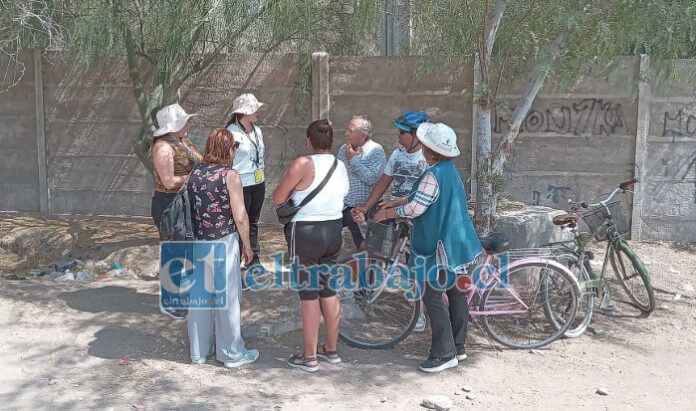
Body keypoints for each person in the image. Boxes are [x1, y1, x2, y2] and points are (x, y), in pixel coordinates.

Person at [373, 122, 483, 373]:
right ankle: (458, 346)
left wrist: (389, 212)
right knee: (457, 294)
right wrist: (400, 199)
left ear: (429, 150)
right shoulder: (450, 170)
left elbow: (416, 208)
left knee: (432, 296)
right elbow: (425, 198)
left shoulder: (433, 174)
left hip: (440, 247)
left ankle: (444, 354)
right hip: (460, 244)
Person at [273, 119, 350, 372]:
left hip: (305, 232)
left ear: (309, 141)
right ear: (331, 142)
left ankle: (309, 357)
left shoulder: (303, 163)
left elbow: (278, 198)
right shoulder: (340, 165)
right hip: (334, 230)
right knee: (328, 289)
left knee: (308, 293)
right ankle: (332, 350)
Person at [186, 128, 259, 368]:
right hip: (223, 241)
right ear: (228, 149)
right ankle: (231, 354)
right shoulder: (230, 175)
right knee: (227, 299)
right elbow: (240, 216)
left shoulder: (194, 173)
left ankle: (199, 352)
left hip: (199, 242)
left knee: (200, 298)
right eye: (234, 147)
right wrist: (247, 245)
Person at [352, 111, 431, 332]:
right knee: (373, 251)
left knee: (415, 266)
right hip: (392, 215)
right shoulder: (397, 155)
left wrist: (396, 207)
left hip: (417, 218)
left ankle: (420, 313)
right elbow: (384, 182)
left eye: (403, 132)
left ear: (416, 135)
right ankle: (368, 295)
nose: (398, 136)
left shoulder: (428, 159)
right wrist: (367, 206)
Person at [150, 103, 203, 320]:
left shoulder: (181, 141)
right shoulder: (163, 147)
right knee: (175, 254)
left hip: (185, 203)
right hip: (170, 205)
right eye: (184, 121)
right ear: (173, 125)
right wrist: (194, 179)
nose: (188, 124)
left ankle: (186, 297)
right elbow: (169, 181)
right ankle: (172, 301)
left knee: (189, 252)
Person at [226, 93, 267, 268]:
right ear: (243, 112)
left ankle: (253, 259)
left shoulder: (258, 130)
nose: (258, 112)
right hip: (240, 183)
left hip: (258, 182)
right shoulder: (231, 132)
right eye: (254, 109)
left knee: (254, 221)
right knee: (241, 221)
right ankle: (237, 260)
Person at [337, 115, 386, 251]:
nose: (346, 133)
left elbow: (372, 179)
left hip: (366, 208)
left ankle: (367, 270)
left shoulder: (376, 151)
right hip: (345, 207)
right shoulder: (343, 149)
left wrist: (353, 159)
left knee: (364, 246)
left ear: (363, 135)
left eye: (350, 130)